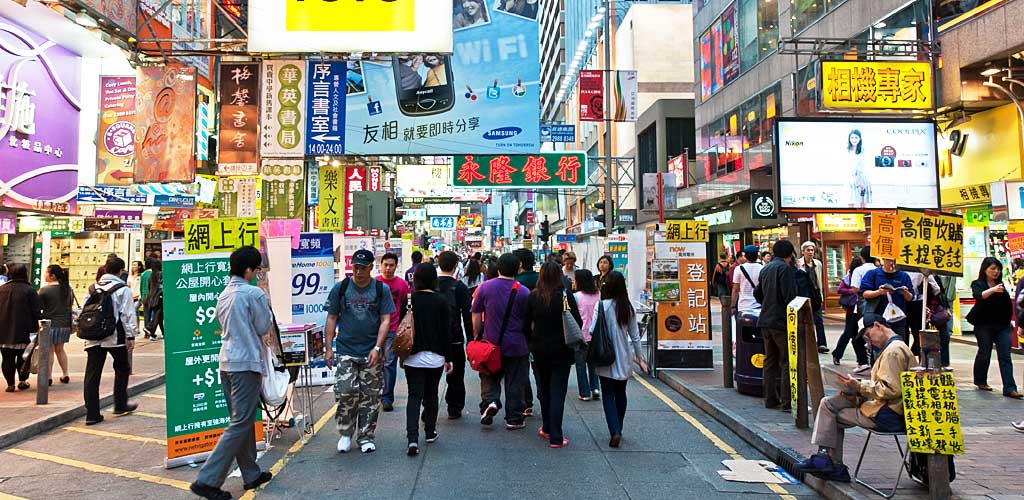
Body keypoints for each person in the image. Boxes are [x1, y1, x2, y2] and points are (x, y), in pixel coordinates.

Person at [190, 247, 274, 500]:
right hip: (246, 363)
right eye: (257, 269)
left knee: (243, 419)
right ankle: (207, 480)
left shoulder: (224, 294)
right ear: (249, 269)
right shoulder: (253, 293)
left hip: (226, 363)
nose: (258, 273)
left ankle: (250, 473)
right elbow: (263, 326)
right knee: (240, 423)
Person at [796, 313, 917, 482]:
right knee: (829, 404)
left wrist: (858, 386)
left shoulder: (893, 352)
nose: (869, 341)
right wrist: (855, 387)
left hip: (888, 414)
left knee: (831, 414)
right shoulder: (895, 347)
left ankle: (830, 462)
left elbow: (890, 390)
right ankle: (828, 460)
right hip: (887, 409)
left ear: (878, 326)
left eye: (868, 336)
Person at [324, 249, 396, 453]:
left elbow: (385, 320)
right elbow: (331, 318)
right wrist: (329, 348)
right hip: (346, 348)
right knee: (345, 392)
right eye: (356, 267)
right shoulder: (342, 288)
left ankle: (365, 436)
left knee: (371, 396)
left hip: (371, 351)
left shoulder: (381, 290)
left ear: (371, 268)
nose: (359, 271)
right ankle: (346, 433)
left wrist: (378, 347)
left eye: (363, 268)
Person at [523, 262, 581, 448]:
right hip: (562, 350)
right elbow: (576, 321)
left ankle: (547, 427)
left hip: (539, 350)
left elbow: (525, 325)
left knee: (545, 389)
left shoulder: (533, 296)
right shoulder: (565, 296)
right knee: (558, 392)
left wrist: (531, 342)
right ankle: (556, 436)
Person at [471, 253, 531, 429]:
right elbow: (529, 320)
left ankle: (491, 401)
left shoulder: (485, 287)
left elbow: (475, 314)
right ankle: (514, 418)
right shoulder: (523, 291)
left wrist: (476, 335)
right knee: (515, 382)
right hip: (516, 344)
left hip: (490, 343)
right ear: (518, 269)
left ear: (498, 268)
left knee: (489, 376)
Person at [591, 271, 649, 448]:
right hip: (623, 354)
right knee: (620, 393)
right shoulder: (628, 308)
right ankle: (619, 428)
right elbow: (635, 336)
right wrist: (640, 358)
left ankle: (614, 430)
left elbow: (593, 330)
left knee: (607, 394)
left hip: (604, 354)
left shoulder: (602, 306)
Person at [403, 264, 454, 456]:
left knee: (414, 396)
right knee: (431, 394)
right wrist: (449, 357)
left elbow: (403, 329)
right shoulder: (441, 301)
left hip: (412, 356)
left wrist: (401, 356)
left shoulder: (409, 300)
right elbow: (445, 332)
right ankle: (430, 431)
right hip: (435, 357)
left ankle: (412, 439)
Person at [83, 257, 138, 425]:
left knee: (92, 374)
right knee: (122, 368)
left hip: (93, 336)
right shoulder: (122, 289)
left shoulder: (93, 287)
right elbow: (127, 314)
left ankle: (92, 414)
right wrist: (131, 335)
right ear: (120, 271)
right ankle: (120, 404)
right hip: (115, 336)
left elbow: (84, 310)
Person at [969, 257, 1022, 398]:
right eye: (992, 268)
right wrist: (992, 289)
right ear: (985, 269)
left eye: (998, 269)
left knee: (1005, 355)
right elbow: (979, 296)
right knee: (984, 352)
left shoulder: (1001, 285)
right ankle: (980, 380)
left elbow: (1006, 305)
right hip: (983, 325)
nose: (996, 271)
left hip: (1002, 326)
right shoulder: (977, 284)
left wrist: (1010, 321)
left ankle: (1010, 388)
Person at [757, 240, 799, 411]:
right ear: (790, 254)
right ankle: (786, 401)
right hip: (781, 320)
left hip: (765, 319)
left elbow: (757, 293)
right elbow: (790, 296)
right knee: (786, 361)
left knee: (770, 360)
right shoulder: (785, 269)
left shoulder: (765, 268)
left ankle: (770, 399)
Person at [437, 251, 474, 419]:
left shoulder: (431, 284)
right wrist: (471, 341)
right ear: (455, 266)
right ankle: (454, 407)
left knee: (431, 376)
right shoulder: (460, 287)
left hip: (433, 338)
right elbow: (467, 316)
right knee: (457, 375)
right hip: (455, 337)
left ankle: (428, 408)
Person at [376, 253, 410, 413]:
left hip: (393, 329)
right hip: (373, 331)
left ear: (396, 266)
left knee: (389, 364)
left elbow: (408, 308)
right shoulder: (373, 283)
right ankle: (374, 394)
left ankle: (387, 398)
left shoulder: (402, 285)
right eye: (386, 265)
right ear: (380, 264)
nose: (388, 268)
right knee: (374, 363)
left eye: (391, 265)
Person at [0, 264, 41, 392]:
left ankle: (10, 384)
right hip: (25, 330)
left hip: (4, 330)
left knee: (7, 358)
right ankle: (22, 380)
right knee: (24, 357)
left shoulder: (1, 289)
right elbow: (36, 312)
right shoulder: (29, 290)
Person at [860, 258, 913, 344]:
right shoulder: (873, 274)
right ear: (883, 259)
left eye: (894, 261)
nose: (891, 263)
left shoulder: (904, 275)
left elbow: (910, 297)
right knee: (878, 350)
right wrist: (879, 292)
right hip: (878, 321)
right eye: (889, 260)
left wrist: (905, 292)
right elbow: (865, 293)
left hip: (898, 320)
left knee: (898, 347)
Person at [831, 257, 869, 370]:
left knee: (856, 335)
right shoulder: (849, 277)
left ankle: (861, 360)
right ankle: (838, 354)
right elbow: (840, 289)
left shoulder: (864, 275)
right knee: (849, 333)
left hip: (860, 309)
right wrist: (852, 291)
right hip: (852, 310)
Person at [39, 265, 73, 385]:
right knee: (60, 349)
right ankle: (65, 374)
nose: (45, 275)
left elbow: (39, 307)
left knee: (49, 351)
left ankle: (48, 376)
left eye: (46, 273)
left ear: (52, 275)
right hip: (64, 324)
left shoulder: (44, 290)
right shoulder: (68, 288)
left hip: (50, 324)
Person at [574, 269, 601, 401]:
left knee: (580, 364)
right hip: (596, 335)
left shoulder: (576, 296)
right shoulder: (598, 294)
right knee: (593, 363)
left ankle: (584, 393)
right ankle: (595, 388)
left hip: (581, 335)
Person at [798, 242, 829, 353]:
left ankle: (821, 343)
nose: (810, 252)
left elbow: (820, 279)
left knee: (819, 320)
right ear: (803, 251)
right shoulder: (798, 264)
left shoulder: (818, 264)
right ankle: (806, 343)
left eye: (812, 250)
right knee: (804, 320)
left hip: (816, 295)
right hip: (804, 295)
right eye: (808, 250)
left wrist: (821, 295)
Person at [905, 271, 940, 355]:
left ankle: (905, 361)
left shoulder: (900, 270)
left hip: (902, 304)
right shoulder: (922, 270)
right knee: (920, 335)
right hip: (919, 304)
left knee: (903, 335)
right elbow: (936, 289)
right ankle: (923, 361)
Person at [731, 245, 763, 318]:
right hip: (759, 306)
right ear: (757, 255)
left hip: (743, 306)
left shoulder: (738, 269)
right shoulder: (762, 268)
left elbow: (735, 290)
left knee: (742, 328)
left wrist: (733, 306)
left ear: (745, 256)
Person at [846, 129, 871, 208]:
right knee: (850, 201)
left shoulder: (863, 150)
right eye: (852, 138)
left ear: (860, 139)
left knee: (862, 202)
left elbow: (862, 166)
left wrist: (859, 180)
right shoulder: (847, 150)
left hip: (861, 178)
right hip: (850, 178)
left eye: (856, 138)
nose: (854, 140)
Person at [143, 261, 163, 340]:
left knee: (158, 315)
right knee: (158, 314)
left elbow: (149, 287)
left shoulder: (151, 275)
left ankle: (152, 333)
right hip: (159, 297)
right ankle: (149, 327)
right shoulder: (161, 274)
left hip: (151, 297)